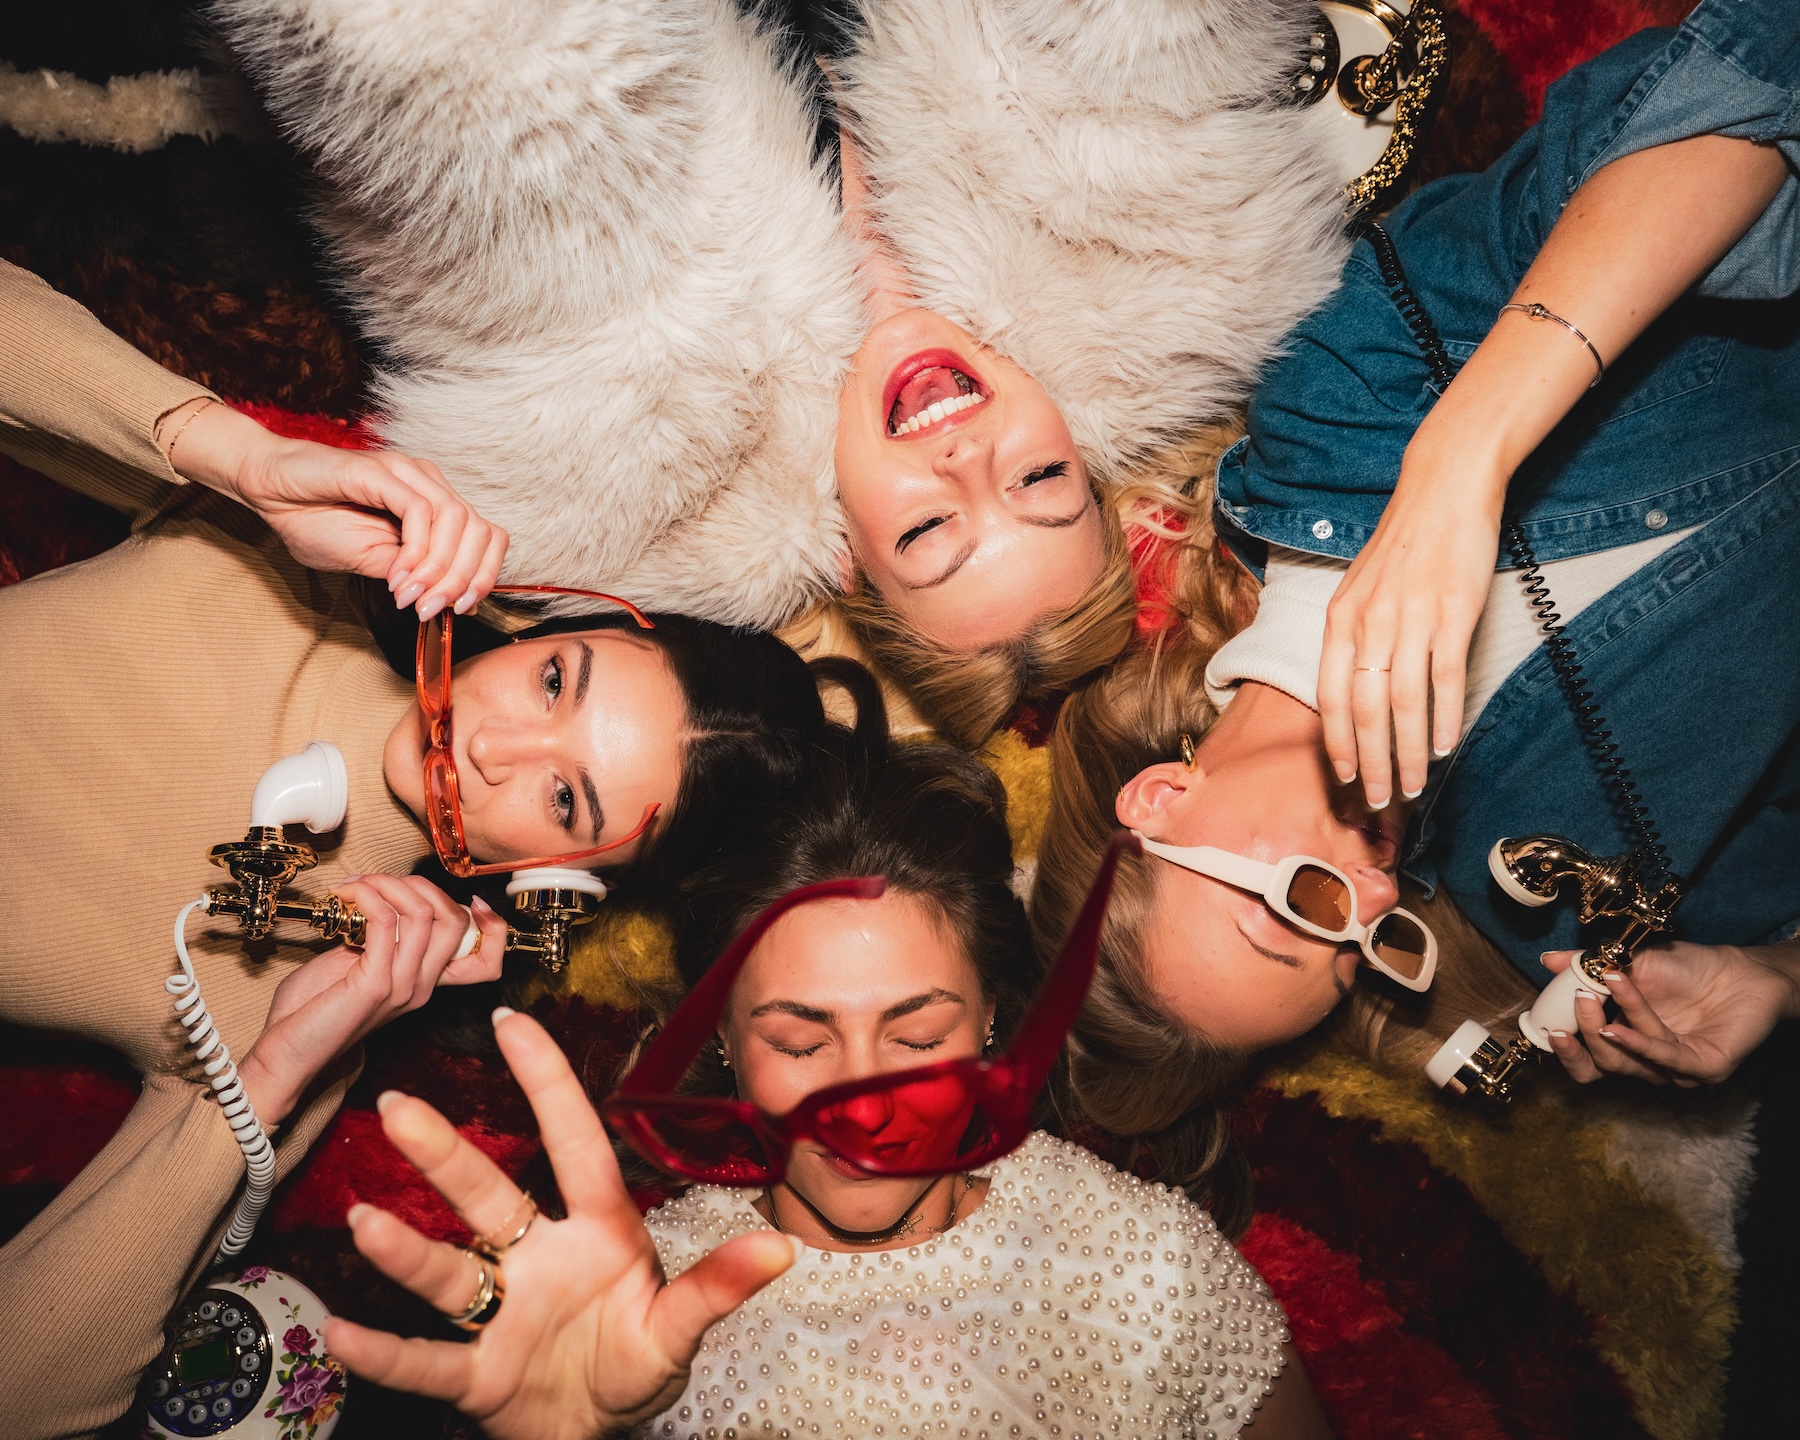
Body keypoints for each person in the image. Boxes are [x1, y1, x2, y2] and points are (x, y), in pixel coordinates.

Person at [0, 260, 840, 1435]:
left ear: (563, 880)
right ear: (548, 617)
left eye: (567, 800)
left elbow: (29, 1389)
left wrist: (264, 1083)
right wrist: (230, 455)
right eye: (554, 680)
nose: (503, 746)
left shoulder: (307, 998)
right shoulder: (273, 553)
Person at [1031, 0, 1800, 1174]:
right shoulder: (1566, 885)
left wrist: (1460, 462)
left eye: (1300, 900)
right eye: (1369, 938)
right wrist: (1780, 978)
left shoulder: (1323, 426)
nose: (1372, 881)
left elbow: (1743, 92)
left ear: (1160, 805)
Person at [209, 0, 1349, 740]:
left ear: (854, 561)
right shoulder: (1153, 241)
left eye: (929, 536)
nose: (965, 458)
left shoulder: (626, 413)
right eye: (1039, 486)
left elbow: (480, 110)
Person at [326, 677, 1329, 1438]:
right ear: (721, 1036)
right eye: (800, 1038)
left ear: (990, 1018)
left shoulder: (1148, 1271)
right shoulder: (630, 1310)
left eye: (918, 1034)